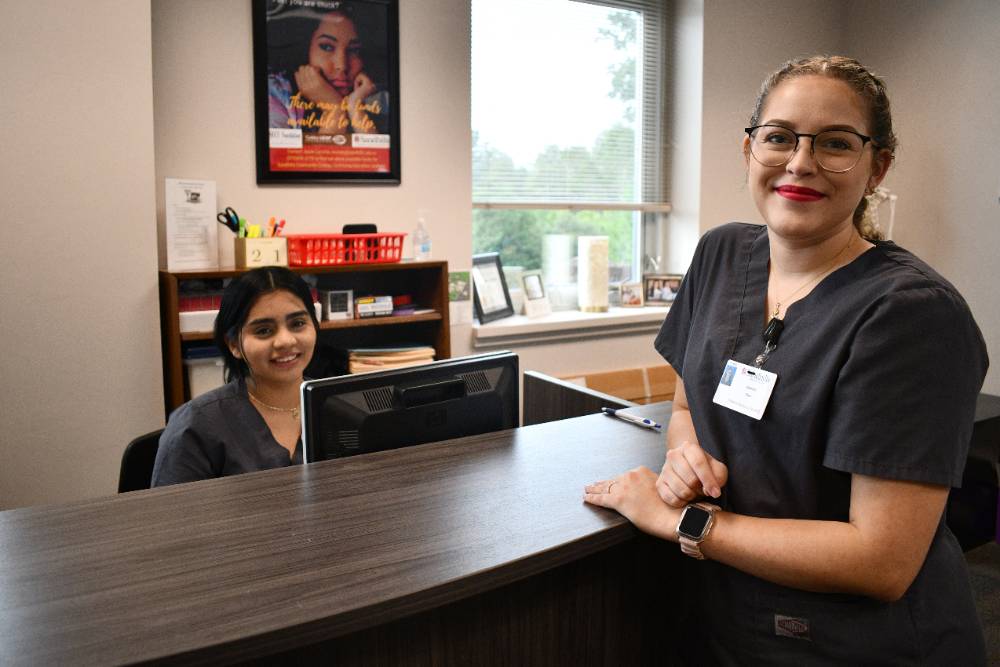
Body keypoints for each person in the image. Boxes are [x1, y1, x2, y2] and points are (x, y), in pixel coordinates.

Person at [584, 55, 988, 664]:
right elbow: (686, 401)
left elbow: (882, 562)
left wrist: (680, 522)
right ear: (748, 150)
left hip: (859, 647)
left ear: (877, 167)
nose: (801, 163)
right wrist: (684, 455)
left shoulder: (911, 315)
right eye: (779, 137)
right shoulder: (720, 256)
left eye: (834, 143)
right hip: (726, 622)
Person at [152, 267, 319, 486]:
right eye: (264, 331)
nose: (285, 341)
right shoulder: (197, 425)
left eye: (297, 324)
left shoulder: (339, 405)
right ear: (234, 345)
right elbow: (172, 517)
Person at [267, 2, 390, 136]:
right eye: (327, 47)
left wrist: (355, 107)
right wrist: (334, 110)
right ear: (304, 49)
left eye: (354, 50)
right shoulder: (275, 93)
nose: (342, 65)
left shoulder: (380, 99)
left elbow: (377, 156)